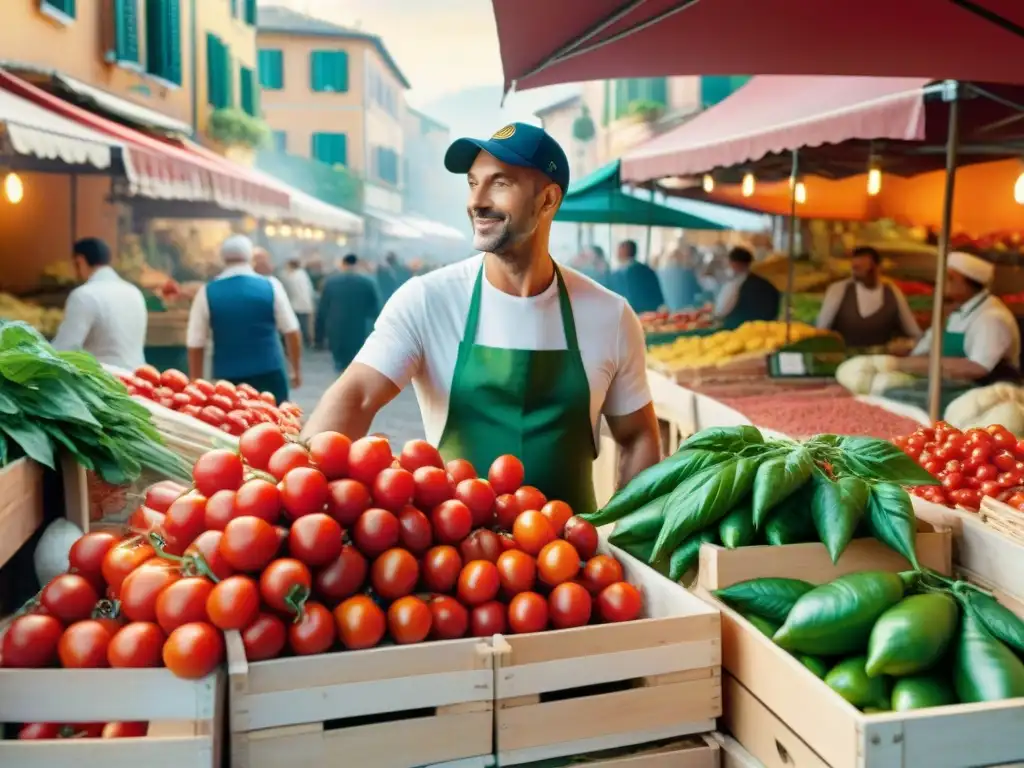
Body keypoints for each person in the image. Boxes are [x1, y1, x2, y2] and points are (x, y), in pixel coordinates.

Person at [302, 122, 660, 515]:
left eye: (500, 183)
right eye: (473, 183)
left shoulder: (609, 314)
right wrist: (302, 492)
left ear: (548, 199)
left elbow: (639, 435)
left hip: (573, 564)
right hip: (454, 561)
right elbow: (357, 396)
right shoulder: (427, 300)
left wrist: (623, 542)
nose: (478, 200)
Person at [186, 235, 302, 403]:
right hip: (270, 373)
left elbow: (195, 343)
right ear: (250, 257)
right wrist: (296, 370)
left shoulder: (207, 292)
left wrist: (195, 382)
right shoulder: (271, 286)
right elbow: (292, 331)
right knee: (276, 423)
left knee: (232, 425)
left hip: (227, 379)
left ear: (223, 259)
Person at [899, 252, 1021, 383]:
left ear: (968, 284)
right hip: (951, 384)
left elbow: (978, 367)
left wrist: (914, 365)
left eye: (949, 278)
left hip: (986, 390)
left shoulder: (991, 317)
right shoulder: (955, 310)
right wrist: (905, 362)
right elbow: (926, 348)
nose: (940, 283)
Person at [52, 238, 147, 371]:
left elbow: (63, 350)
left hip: (104, 384)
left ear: (79, 261)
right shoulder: (134, 292)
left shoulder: (84, 295)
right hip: (139, 380)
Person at [816, 246, 921, 347]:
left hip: (881, 359)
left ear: (877, 268)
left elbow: (913, 332)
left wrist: (907, 344)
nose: (859, 273)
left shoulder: (892, 292)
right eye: (856, 268)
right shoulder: (838, 290)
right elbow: (821, 331)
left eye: (866, 269)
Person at [315, 254, 381, 373]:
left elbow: (322, 310)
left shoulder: (330, 283)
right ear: (356, 265)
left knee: (339, 363)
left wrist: (318, 337)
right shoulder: (367, 283)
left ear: (343, 264)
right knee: (356, 360)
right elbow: (375, 309)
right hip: (358, 328)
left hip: (336, 328)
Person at [713, 247, 781, 330]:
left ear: (735, 264)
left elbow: (721, 311)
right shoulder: (767, 284)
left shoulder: (735, 284)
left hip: (739, 331)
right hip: (766, 330)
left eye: (729, 262)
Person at [608, 240, 665, 314]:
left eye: (620, 250)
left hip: (638, 312)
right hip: (645, 312)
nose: (617, 253)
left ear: (626, 251)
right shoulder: (646, 269)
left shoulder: (631, 271)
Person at [280, 257, 316, 347]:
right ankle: (306, 342)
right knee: (304, 325)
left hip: (296, 305)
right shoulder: (303, 274)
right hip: (305, 305)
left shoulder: (292, 276)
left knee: (296, 326)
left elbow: (287, 288)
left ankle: (298, 344)